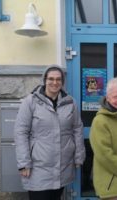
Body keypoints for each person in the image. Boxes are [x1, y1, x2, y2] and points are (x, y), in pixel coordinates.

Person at [14, 65, 85, 200]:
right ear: (44, 80)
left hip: (62, 166)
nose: (54, 82)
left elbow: (77, 128)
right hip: (38, 167)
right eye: (51, 79)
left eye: (58, 79)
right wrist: (23, 163)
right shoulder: (31, 102)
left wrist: (79, 156)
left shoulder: (70, 102)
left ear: (62, 82)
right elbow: (20, 132)